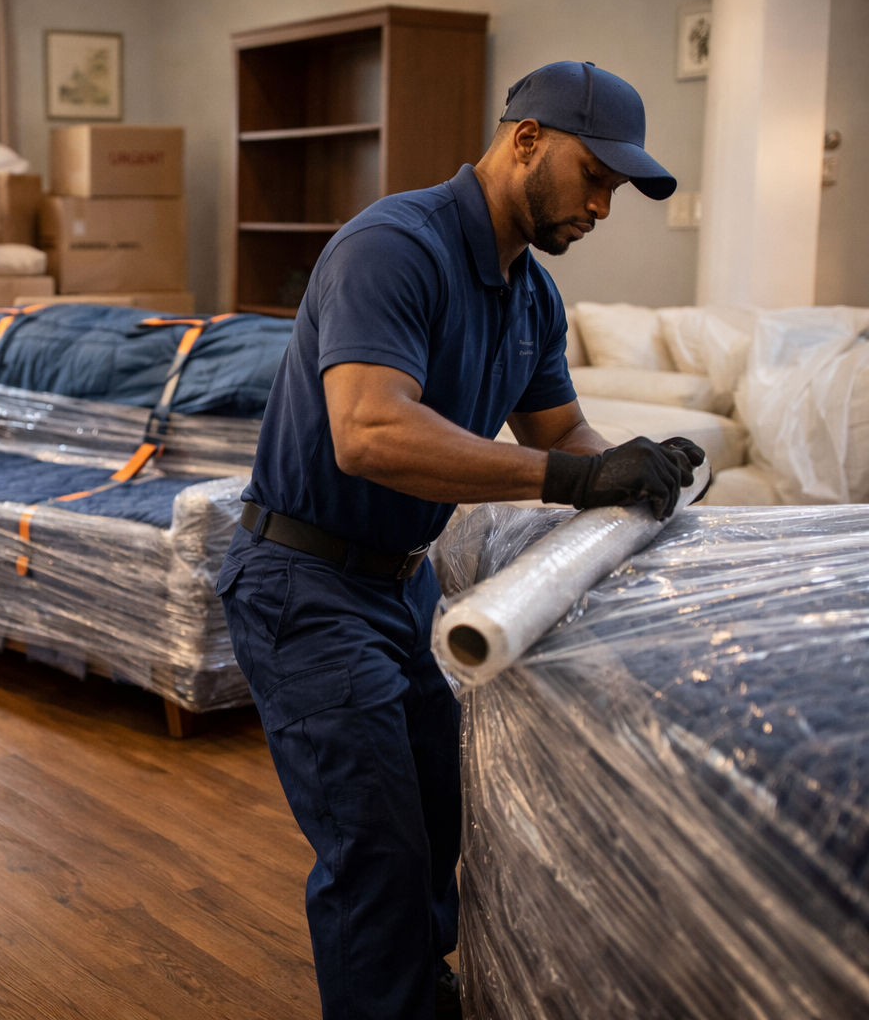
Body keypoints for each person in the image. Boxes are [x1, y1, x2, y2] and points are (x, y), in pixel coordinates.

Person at [217, 62, 706, 1020]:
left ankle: (407, 991)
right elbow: (368, 431)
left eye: (615, 190)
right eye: (596, 177)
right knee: (379, 852)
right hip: (304, 583)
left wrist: (632, 474)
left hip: (404, 589)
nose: (603, 208)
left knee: (445, 814)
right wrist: (574, 479)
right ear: (526, 139)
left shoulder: (530, 295)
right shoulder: (395, 247)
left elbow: (563, 436)